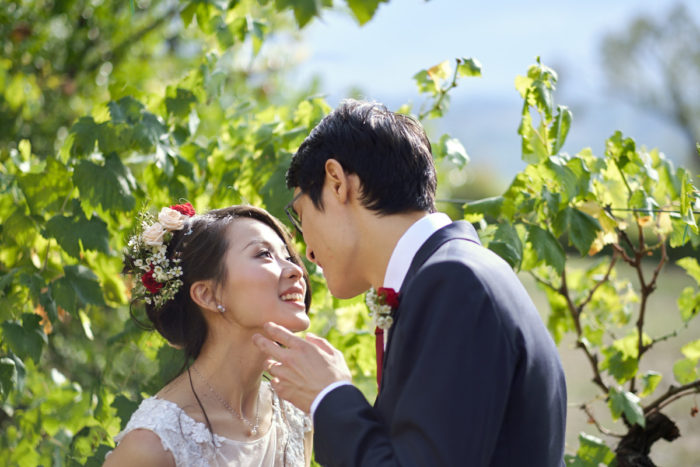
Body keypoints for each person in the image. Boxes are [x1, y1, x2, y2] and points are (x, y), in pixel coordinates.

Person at [252, 100, 568, 466]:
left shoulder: (454, 283)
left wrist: (329, 396)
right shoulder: (454, 273)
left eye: (300, 214)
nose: (305, 251)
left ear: (337, 182)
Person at [105, 204, 313, 467]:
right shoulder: (153, 446)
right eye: (264, 254)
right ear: (207, 295)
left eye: (288, 256)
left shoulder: (294, 411)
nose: (296, 270)